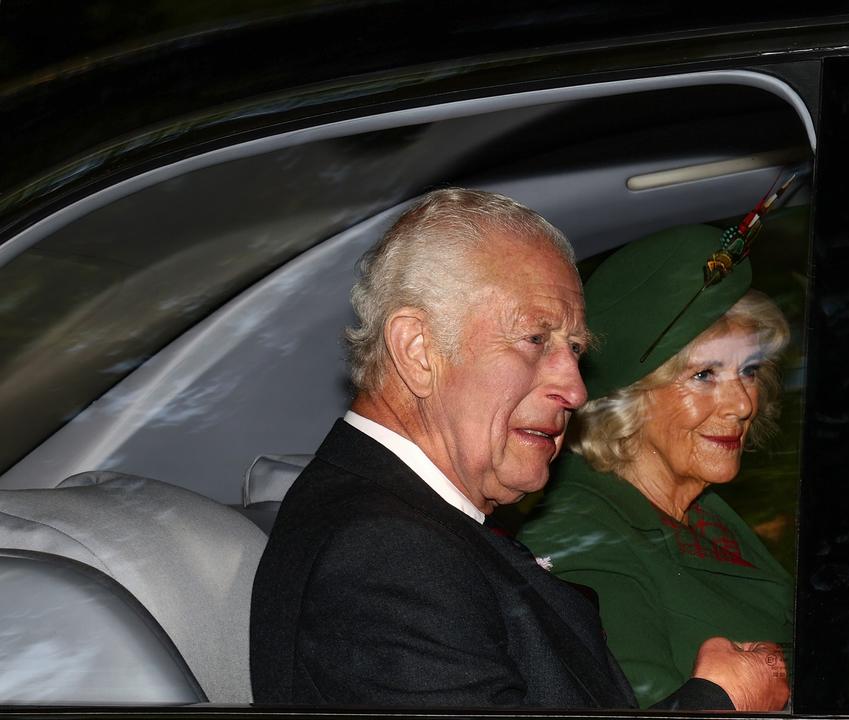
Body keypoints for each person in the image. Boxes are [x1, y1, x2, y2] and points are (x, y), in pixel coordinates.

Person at [249, 189, 788, 711]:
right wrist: (718, 704)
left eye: (575, 350)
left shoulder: (416, 528)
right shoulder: (382, 554)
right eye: (535, 339)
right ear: (418, 351)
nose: (576, 390)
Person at [518, 223, 795, 706]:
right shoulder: (580, 539)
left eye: (749, 370)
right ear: (630, 399)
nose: (743, 403)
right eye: (705, 374)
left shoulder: (699, 511)